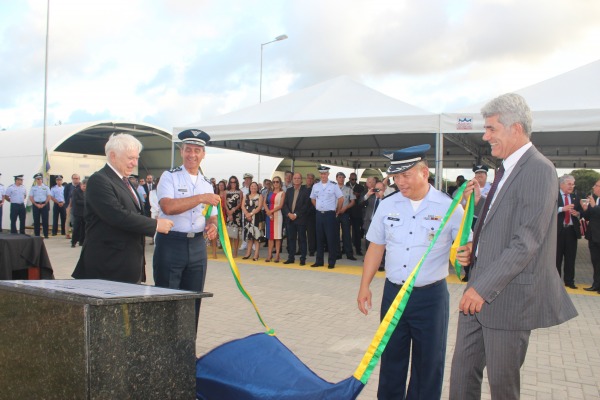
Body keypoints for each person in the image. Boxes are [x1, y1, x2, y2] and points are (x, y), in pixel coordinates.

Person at [449, 93, 578, 400]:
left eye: (491, 128)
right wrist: (473, 250)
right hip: (478, 291)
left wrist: (482, 288)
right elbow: (499, 228)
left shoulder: (539, 169)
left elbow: (527, 239)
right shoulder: (504, 170)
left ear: (515, 128)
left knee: (503, 388)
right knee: (461, 378)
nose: (485, 135)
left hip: (506, 299)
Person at [357, 144, 471, 399]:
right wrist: (364, 286)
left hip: (430, 298)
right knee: (391, 358)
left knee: (428, 363)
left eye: (405, 175)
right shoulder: (387, 205)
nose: (400, 182)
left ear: (424, 172)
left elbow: (466, 244)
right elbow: (376, 248)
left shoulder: (449, 208)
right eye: (396, 177)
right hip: (394, 294)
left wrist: (467, 251)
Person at [72, 133, 174, 283]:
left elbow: (135, 212)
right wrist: (156, 224)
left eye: (136, 158)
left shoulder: (125, 181)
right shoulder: (99, 180)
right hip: (108, 267)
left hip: (127, 264)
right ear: (113, 156)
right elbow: (117, 215)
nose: (134, 163)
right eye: (130, 158)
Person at [153, 129, 220, 328]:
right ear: (181, 152)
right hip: (171, 244)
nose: (192, 154)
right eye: (188, 149)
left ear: (203, 154)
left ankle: (187, 350)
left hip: (197, 246)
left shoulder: (207, 183)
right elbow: (168, 207)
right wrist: (199, 197)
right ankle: (164, 353)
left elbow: (211, 215)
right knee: (167, 300)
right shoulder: (169, 177)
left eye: (197, 150)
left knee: (193, 301)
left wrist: (212, 226)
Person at [310, 165, 343, 269]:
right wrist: (318, 207)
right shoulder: (316, 186)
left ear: (328, 174)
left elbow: (341, 199)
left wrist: (337, 210)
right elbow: (312, 198)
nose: (323, 175)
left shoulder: (333, 186)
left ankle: (331, 262)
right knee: (319, 238)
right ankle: (319, 261)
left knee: (330, 239)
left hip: (330, 214)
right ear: (320, 174)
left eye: (325, 173)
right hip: (319, 214)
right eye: (321, 174)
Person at [556, 174, 582, 289]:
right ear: (561, 184)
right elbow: (548, 209)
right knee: (556, 257)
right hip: (558, 231)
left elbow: (581, 212)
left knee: (570, 258)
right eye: (569, 184)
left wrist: (577, 214)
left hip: (571, 231)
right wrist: (562, 209)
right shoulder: (554, 196)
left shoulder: (576, 197)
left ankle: (569, 281)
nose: (572, 186)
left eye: (573, 184)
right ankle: (555, 281)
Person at [282, 172, 311, 265]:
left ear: (301, 180)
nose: (296, 180)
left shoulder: (306, 190)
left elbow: (306, 205)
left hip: (300, 219)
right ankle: (291, 257)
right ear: (293, 180)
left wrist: (296, 214)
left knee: (302, 239)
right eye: (295, 178)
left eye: (298, 178)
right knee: (291, 239)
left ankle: (303, 259)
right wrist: (288, 214)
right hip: (290, 219)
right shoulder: (289, 190)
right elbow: (284, 204)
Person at [582, 180, 600, 293]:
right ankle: (596, 284)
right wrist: (586, 209)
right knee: (595, 262)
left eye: (596, 186)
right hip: (593, 236)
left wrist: (594, 207)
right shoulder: (596, 199)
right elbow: (589, 216)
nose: (594, 187)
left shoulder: (595, 202)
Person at [335, 172, 357, 261]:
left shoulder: (349, 189)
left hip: (345, 213)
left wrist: (345, 208)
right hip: (335, 213)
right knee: (335, 234)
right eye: (339, 177)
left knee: (347, 234)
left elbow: (353, 201)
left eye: (343, 177)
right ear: (336, 178)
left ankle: (349, 254)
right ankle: (337, 253)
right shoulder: (332, 189)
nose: (341, 179)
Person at [264, 176, 285, 262]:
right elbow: (264, 203)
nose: (275, 183)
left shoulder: (282, 193)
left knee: (277, 236)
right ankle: (269, 255)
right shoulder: (269, 192)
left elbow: (280, 205)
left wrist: (271, 211)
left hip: (277, 215)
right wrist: (268, 212)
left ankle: (277, 255)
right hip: (269, 216)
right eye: (274, 182)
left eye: (277, 182)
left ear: (280, 183)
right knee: (270, 236)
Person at [242, 181, 264, 261]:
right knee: (249, 237)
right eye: (252, 186)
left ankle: (256, 254)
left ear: (257, 188)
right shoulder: (246, 196)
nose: (253, 188)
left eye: (255, 186)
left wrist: (250, 214)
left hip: (256, 218)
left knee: (256, 237)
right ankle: (248, 253)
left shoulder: (260, 196)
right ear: (249, 187)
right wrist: (247, 214)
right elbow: (243, 206)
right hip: (247, 218)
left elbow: (259, 207)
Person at [346, 172, 365, 256]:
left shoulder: (360, 187)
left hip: (356, 212)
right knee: (346, 232)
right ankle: (346, 248)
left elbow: (363, 198)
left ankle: (358, 249)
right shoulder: (345, 186)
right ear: (349, 179)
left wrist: (358, 195)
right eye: (352, 179)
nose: (354, 181)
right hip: (346, 211)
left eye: (355, 179)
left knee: (357, 231)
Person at [225, 175, 243, 257]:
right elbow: (225, 203)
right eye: (231, 182)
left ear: (236, 183)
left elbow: (240, 203)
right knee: (229, 233)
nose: (233, 184)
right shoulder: (226, 192)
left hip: (237, 214)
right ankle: (229, 251)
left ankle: (235, 252)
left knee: (236, 234)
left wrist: (233, 210)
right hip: (228, 213)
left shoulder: (240, 192)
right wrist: (229, 212)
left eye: (234, 182)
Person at [30, 173, 51, 238]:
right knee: (36, 220)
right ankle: (37, 234)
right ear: (36, 180)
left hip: (44, 204)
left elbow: (49, 196)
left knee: (45, 220)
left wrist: (44, 204)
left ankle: (46, 234)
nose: (39, 180)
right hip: (36, 205)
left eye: (40, 179)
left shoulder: (46, 187)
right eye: (38, 179)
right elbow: (31, 197)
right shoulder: (33, 188)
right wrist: (36, 204)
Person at [70, 178, 87, 247]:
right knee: (76, 228)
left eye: (86, 186)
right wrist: (86, 202)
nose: (84, 188)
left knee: (84, 228)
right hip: (77, 213)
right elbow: (76, 201)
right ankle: (73, 242)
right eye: (83, 186)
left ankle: (82, 241)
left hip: (85, 213)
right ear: (81, 185)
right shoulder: (75, 191)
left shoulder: (88, 192)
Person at [64, 174, 81, 239]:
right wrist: (67, 206)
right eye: (74, 178)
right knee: (68, 219)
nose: (75, 180)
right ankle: (67, 234)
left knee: (76, 220)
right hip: (69, 205)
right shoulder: (68, 186)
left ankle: (76, 234)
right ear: (72, 179)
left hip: (78, 206)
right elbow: (65, 196)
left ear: (79, 179)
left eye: (77, 178)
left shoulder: (81, 185)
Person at [304, 173, 317, 257]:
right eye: (308, 178)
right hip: (301, 214)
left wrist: (308, 211)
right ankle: (301, 249)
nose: (309, 180)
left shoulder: (315, 189)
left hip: (311, 214)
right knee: (301, 233)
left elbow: (316, 202)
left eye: (311, 178)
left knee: (311, 234)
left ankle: (312, 250)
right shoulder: (302, 188)